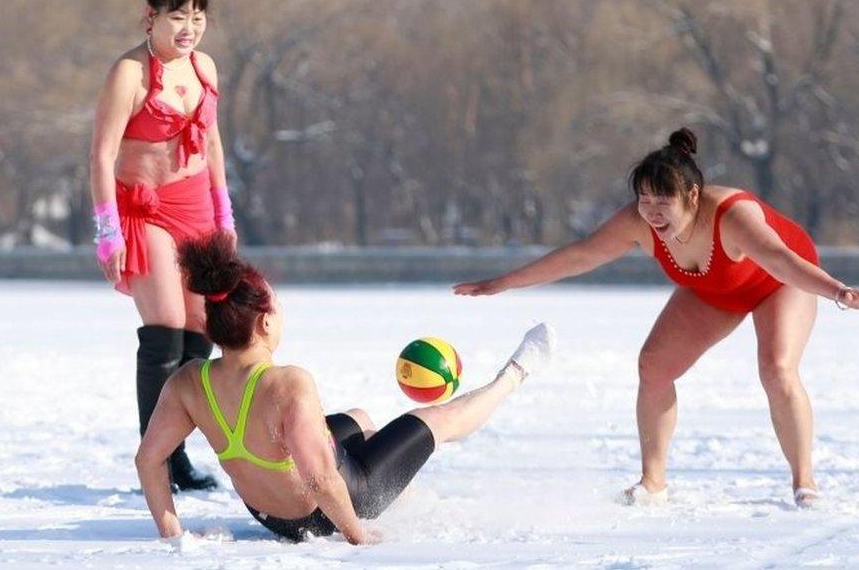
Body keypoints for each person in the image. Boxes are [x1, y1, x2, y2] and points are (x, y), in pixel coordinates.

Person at [454, 127, 859, 508]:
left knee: (777, 369)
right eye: (644, 199)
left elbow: (780, 260)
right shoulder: (639, 222)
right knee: (654, 366)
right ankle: (653, 482)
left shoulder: (732, 216)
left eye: (662, 200)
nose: (651, 210)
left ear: (693, 196)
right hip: (715, 289)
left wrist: (841, 292)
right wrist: (503, 282)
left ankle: (804, 482)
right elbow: (581, 255)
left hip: (781, 281)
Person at [135, 232, 556, 545]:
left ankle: (406, 492)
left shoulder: (188, 380)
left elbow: (149, 458)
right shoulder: (288, 382)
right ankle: (514, 375)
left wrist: (172, 532)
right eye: (277, 306)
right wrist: (356, 535)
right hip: (323, 515)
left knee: (356, 421)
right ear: (265, 322)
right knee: (432, 421)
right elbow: (319, 477)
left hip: (267, 514)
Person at [89, 0, 236, 491]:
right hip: (144, 208)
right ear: (150, 16)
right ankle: (154, 459)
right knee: (166, 333)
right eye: (177, 16)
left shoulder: (204, 67)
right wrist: (108, 232)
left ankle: (175, 455)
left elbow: (213, 141)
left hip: (196, 205)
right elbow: (101, 156)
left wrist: (224, 213)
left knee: (201, 332)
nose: (189, 28)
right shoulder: (129, 72)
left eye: (198, 16)